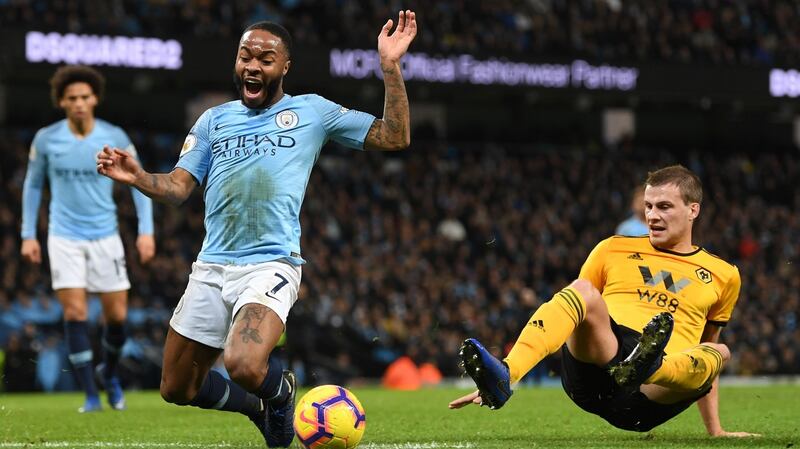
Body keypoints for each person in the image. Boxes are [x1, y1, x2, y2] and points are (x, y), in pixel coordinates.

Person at [97, 12, 416, 448]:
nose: (253, 66)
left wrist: (390, 69)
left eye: (266, 59)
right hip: (211, 266)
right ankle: (256, 407)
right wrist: (138, 177)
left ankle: (281, 392)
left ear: (285, 67)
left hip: (270, 263)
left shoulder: (312, 112)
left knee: (244, 364)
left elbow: (393, 137)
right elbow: (176, 188)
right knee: (176, 388)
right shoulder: (214, 120)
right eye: (245, 56)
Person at [450, 165, 759, 437]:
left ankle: (649, 367)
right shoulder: (612, 248)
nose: (652, 215)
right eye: (649, 206)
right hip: (598, 367)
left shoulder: (723, 274)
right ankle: (507, 375)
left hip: (651, 395)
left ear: (693, 210)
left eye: (664, 206)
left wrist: (715, 430)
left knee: (720, 350)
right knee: (583, 290)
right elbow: (572, 311)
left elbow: (706, 357)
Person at [21, 65, 156, 412]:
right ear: (62, 102)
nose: (79, 103)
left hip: (105, 235)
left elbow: (138, 181)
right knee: (75, 312)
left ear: (95, 98)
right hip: (63, 236)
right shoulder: (46, 139)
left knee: (116, 318)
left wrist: (146, 230)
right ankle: (91, 395)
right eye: (72, 98)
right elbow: (33, 185)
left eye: (84, 97)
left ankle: (108, 374)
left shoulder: (114, 137)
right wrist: (28, 235)